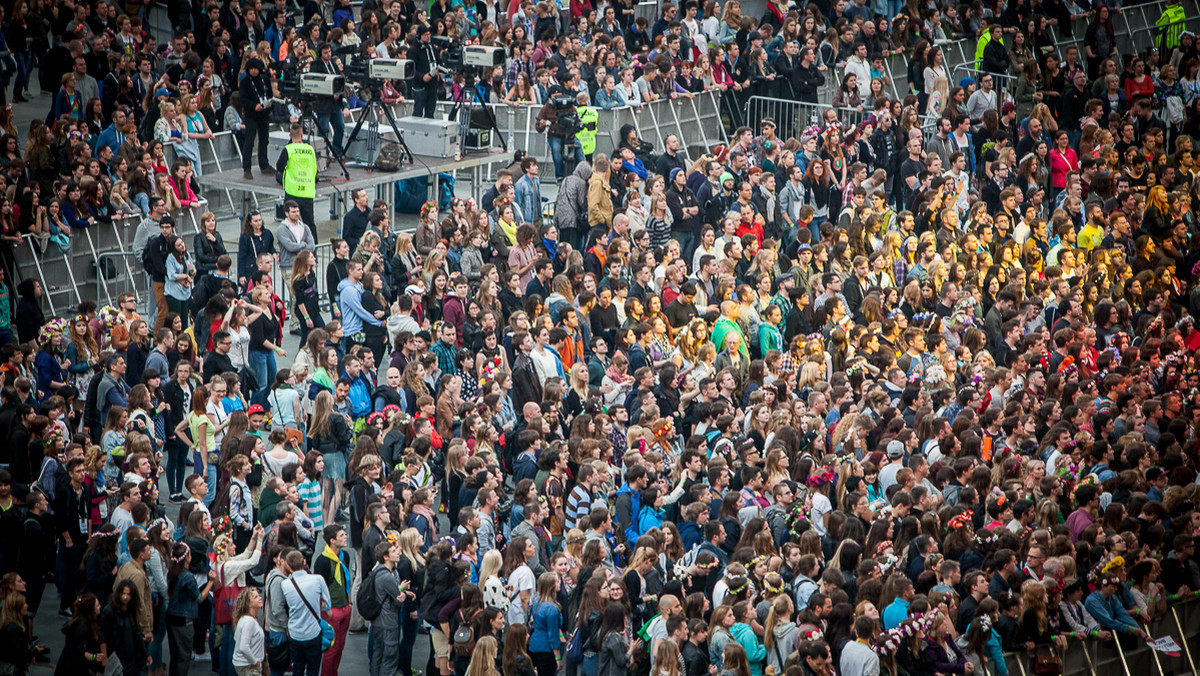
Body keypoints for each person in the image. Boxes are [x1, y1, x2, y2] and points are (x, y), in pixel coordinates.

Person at [275, 123, 318, 238]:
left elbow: (279, 167)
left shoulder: (289, 149)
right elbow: (315, 170)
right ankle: (313, 252)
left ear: (290, 135)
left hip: (292, 192)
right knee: (310, 224)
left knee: (290, 223)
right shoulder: (310, 149)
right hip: (308, 192)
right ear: (302, 135)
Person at [239, 58, 274, 179]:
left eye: (256, 69)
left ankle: (264, 165)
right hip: (251, 115)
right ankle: (247, 168)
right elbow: (243, 99)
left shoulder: (264, 79)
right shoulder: (245, 82)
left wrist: (269, 107)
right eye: (251, 69)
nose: (254, 71)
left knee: (264, 140)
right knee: (249, 142)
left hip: (264, 114)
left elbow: (269, 95)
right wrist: (254, 106)